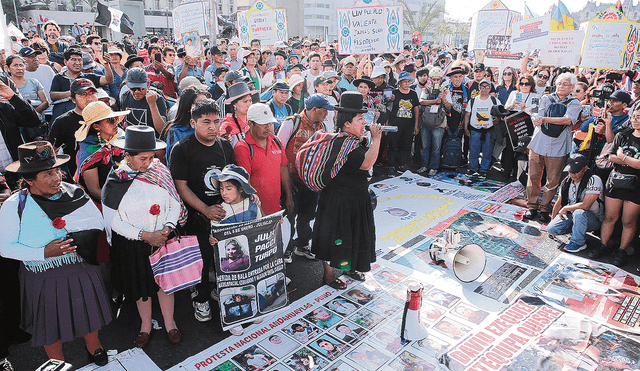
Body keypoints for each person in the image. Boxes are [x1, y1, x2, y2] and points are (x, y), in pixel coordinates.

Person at [0, 141, 110, 366]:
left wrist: (79, 235)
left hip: (80, 269)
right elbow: (5, 247)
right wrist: (44, 252)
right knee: (50, 325)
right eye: (48, 174)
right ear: (30, 180)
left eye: (57, 171)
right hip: (42, 277)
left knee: (88, 315)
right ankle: (57, 363)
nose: (57, 178)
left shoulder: (75, 193)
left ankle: (94, 347)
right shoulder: (14, 206)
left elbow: (98, 221)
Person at [102, 125, 185, 348]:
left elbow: (174, 204)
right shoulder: (117, 180)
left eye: (151, 157)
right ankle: (145, 326)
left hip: (162, 240)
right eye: (142, 158)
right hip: (136, 245)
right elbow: (114, 222)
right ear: (127, 155)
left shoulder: (159, 172)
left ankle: (170, 323)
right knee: (141, 288)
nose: (148, 163)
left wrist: (167, 228)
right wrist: (145, 235)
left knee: (164, 284)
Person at [171, 99, 235, 323]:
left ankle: (219, 290)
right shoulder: (182, 149)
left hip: (222, 216)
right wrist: (205, 209)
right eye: (206, 122)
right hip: (195, 219)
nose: (212, 127)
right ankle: (201, 299)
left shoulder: (225, 146)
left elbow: (232, 179)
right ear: (192, 122)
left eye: (216, 122)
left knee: (224, 257)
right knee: (200, 261)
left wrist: (230, 204)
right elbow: (181, 186)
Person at [312, 91, 382, 289]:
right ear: (347, 124)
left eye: (363, 119)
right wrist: (376, 138)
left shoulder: (353, 142)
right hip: (338, 201)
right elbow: (367, 163)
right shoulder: (343, 144)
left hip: (355, 200)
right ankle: (328, 274)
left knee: (353, 237)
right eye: (360, 119)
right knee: (332, 237)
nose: (364, 123)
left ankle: (349, 267)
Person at [277, 94, 332, 263]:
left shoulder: (323, 126)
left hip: (311, 183)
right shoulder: (291, 123)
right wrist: (285, 183)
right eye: (324, 111)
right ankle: (286, 248)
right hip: (291, 182)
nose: (327, 114)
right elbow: (278, 151)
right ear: (315, 109)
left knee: (307, 215)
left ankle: (302, 245)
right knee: (288, 216)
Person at [524, 72, 580, 224]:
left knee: (553, 179)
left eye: (565, 84)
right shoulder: (546, 98)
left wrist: (543, 120)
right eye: (559, 83)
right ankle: (532, 206)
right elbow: (539, 116)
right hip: (538, 142)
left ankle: (544, 208)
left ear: (572, 87)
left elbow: (568, 120)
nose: (561, 86)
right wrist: (541, 120)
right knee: (533, 176)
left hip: (558, 145)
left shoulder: (575, 103)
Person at [588, 107, 640, 267]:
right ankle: (602, 245)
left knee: (629, 221)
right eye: (634, 116)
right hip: (616, 181)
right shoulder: (622, 135)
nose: (635, 119)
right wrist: (628, 161)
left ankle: (621, 251)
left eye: (639, 117)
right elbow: (610, 157)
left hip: (636, 185)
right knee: (610, 217)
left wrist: (623, 156)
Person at [235, 103, 292, 216]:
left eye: (269, 123)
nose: (268, 126)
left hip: (276, 211)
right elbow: (246, 183)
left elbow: (283, 169)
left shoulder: (276, 141)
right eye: (263, 124)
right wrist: (260, 213)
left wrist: (289, 196)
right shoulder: (243, 147)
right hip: (255, 214)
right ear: (250, 123)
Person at [547, 153, 604, 253]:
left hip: (593, 219)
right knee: (552, 228)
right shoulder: (566, 181)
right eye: (570, 171)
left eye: (576, 171)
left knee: (579, 212)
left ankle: (578, 243)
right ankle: (577, 232)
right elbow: (558, 203)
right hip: (573, 216)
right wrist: (552, 221)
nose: (572, 174)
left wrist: (565, 209)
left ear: (585, 168)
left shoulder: (594, 179)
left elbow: (585, 205)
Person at [74, 101, 127, 203]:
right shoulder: (89, 153)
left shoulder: (117, 138)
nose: (116, 123)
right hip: (104, 203)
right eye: (110, 120)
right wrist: (119, 202)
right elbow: (94, 190)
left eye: (115, 119)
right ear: (96, 127)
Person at [48, 78, 98, 178]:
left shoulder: (105, 116)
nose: (89, 98)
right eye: (83, 95)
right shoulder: (63, 122)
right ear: (73, 99)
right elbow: (51, 151)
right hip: (77, 176)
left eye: (92, 93)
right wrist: (55, 171)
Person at [164, 85, 211, 162]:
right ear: (188, 107)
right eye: (199, 104)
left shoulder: (211, 126)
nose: (204, 108)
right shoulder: (176, 130)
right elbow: (173, 161)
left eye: (206, 103)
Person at [418, 67, 450, 176]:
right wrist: (434, 101)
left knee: (436, 147)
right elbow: (421, 101)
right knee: (425, 146)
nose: (436, 81)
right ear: (430, 79)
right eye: (434, 79)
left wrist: (443, 99)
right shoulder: (426, 89)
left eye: (438, 79)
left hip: (439, 122)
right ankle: (424, 165)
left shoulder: (445, 90)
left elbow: (449, 106)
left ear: (441, 79)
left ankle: (434, 167)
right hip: (426, 121)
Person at [388, 71, 419, 176]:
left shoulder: (413, 94)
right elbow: (388, 107)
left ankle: (402, 164)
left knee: (405, 145)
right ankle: (391, 165)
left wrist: (416, 124)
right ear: (399, 82)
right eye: (404, 82)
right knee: (392, 145)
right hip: (395, 123)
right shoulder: (394, 93)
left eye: (408, 81)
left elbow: (416, 109)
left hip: (408, 124)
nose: (406, 84)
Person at [464, 78, 496, 177]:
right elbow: (467, 115)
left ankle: (483, 170)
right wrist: (466, 128)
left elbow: (499, 114)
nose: (484, 89)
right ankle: (473, 169)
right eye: (482, 87)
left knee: (487, 151)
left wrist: (497, 119)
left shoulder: (494, 100)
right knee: (473, 150)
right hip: (475, 129)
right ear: (479, 88)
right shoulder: (473, 100)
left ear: (490, 88)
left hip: (489, 130)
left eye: (487, 87)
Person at [121, 68, 167, 135]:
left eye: (141, 88)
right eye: (133, 88)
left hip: (152, 141)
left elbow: (162, 130)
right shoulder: (125, 97)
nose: (137, 91)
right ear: (127, 85)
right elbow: (125, 121)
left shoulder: (157, 99)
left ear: (148, 84)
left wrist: (152, 105)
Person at [220, 82, 259, 147]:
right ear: (234, 104)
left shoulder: (255, 121)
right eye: (245, 101)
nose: (249, 105)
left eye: (250, 101)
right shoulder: (226, 126)